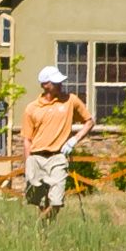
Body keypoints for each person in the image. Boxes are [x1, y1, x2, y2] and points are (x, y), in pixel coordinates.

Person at [19, 66, 94, 221]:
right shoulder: (31, 108)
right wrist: (27, 164)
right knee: (39, 201)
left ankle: (37, 227)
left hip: (58, 157)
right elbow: (27, 139)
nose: (60, 85)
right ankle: (43, 235)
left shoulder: (70, 100)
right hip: (36, 157)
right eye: (56, 82)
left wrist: (74, 139)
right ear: (45, 84)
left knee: (56, 202)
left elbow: (89, 121)